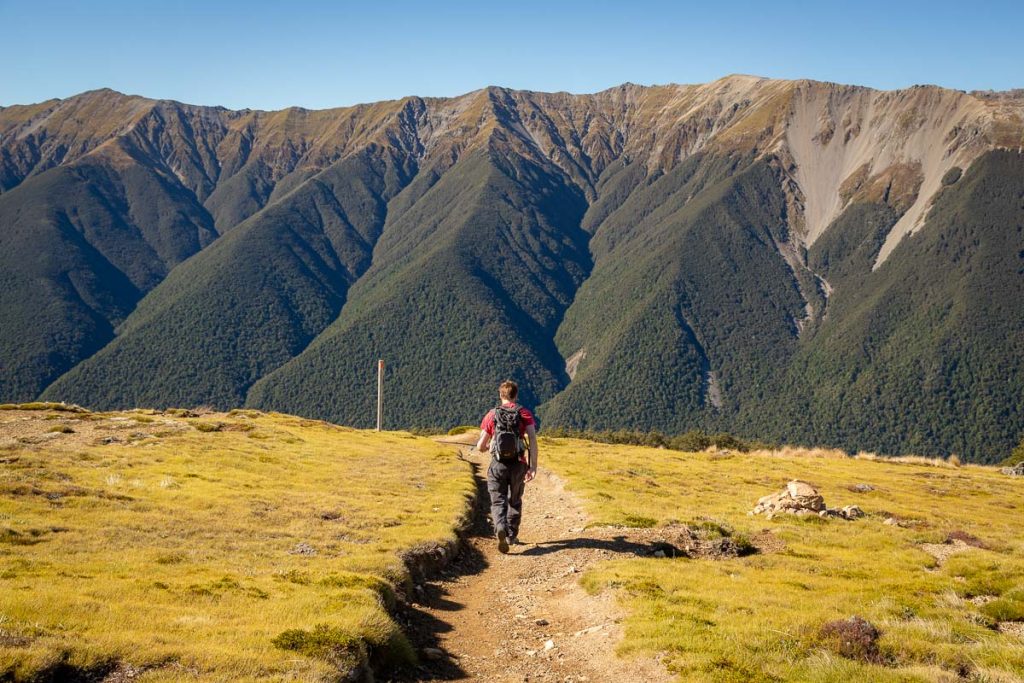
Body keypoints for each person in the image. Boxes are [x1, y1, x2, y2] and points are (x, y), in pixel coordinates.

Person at [476, 380, 538, 554]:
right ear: (516, 395)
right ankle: (511, 536)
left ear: (500, 395)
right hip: (519, 464)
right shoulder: (524, 413)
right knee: (514, 500)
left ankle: (500, 527)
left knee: (498, 500)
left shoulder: (492, 415)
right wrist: (533, 466)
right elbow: (532, 439)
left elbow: (481, 446)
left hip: (498, 465)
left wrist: (490, 447)